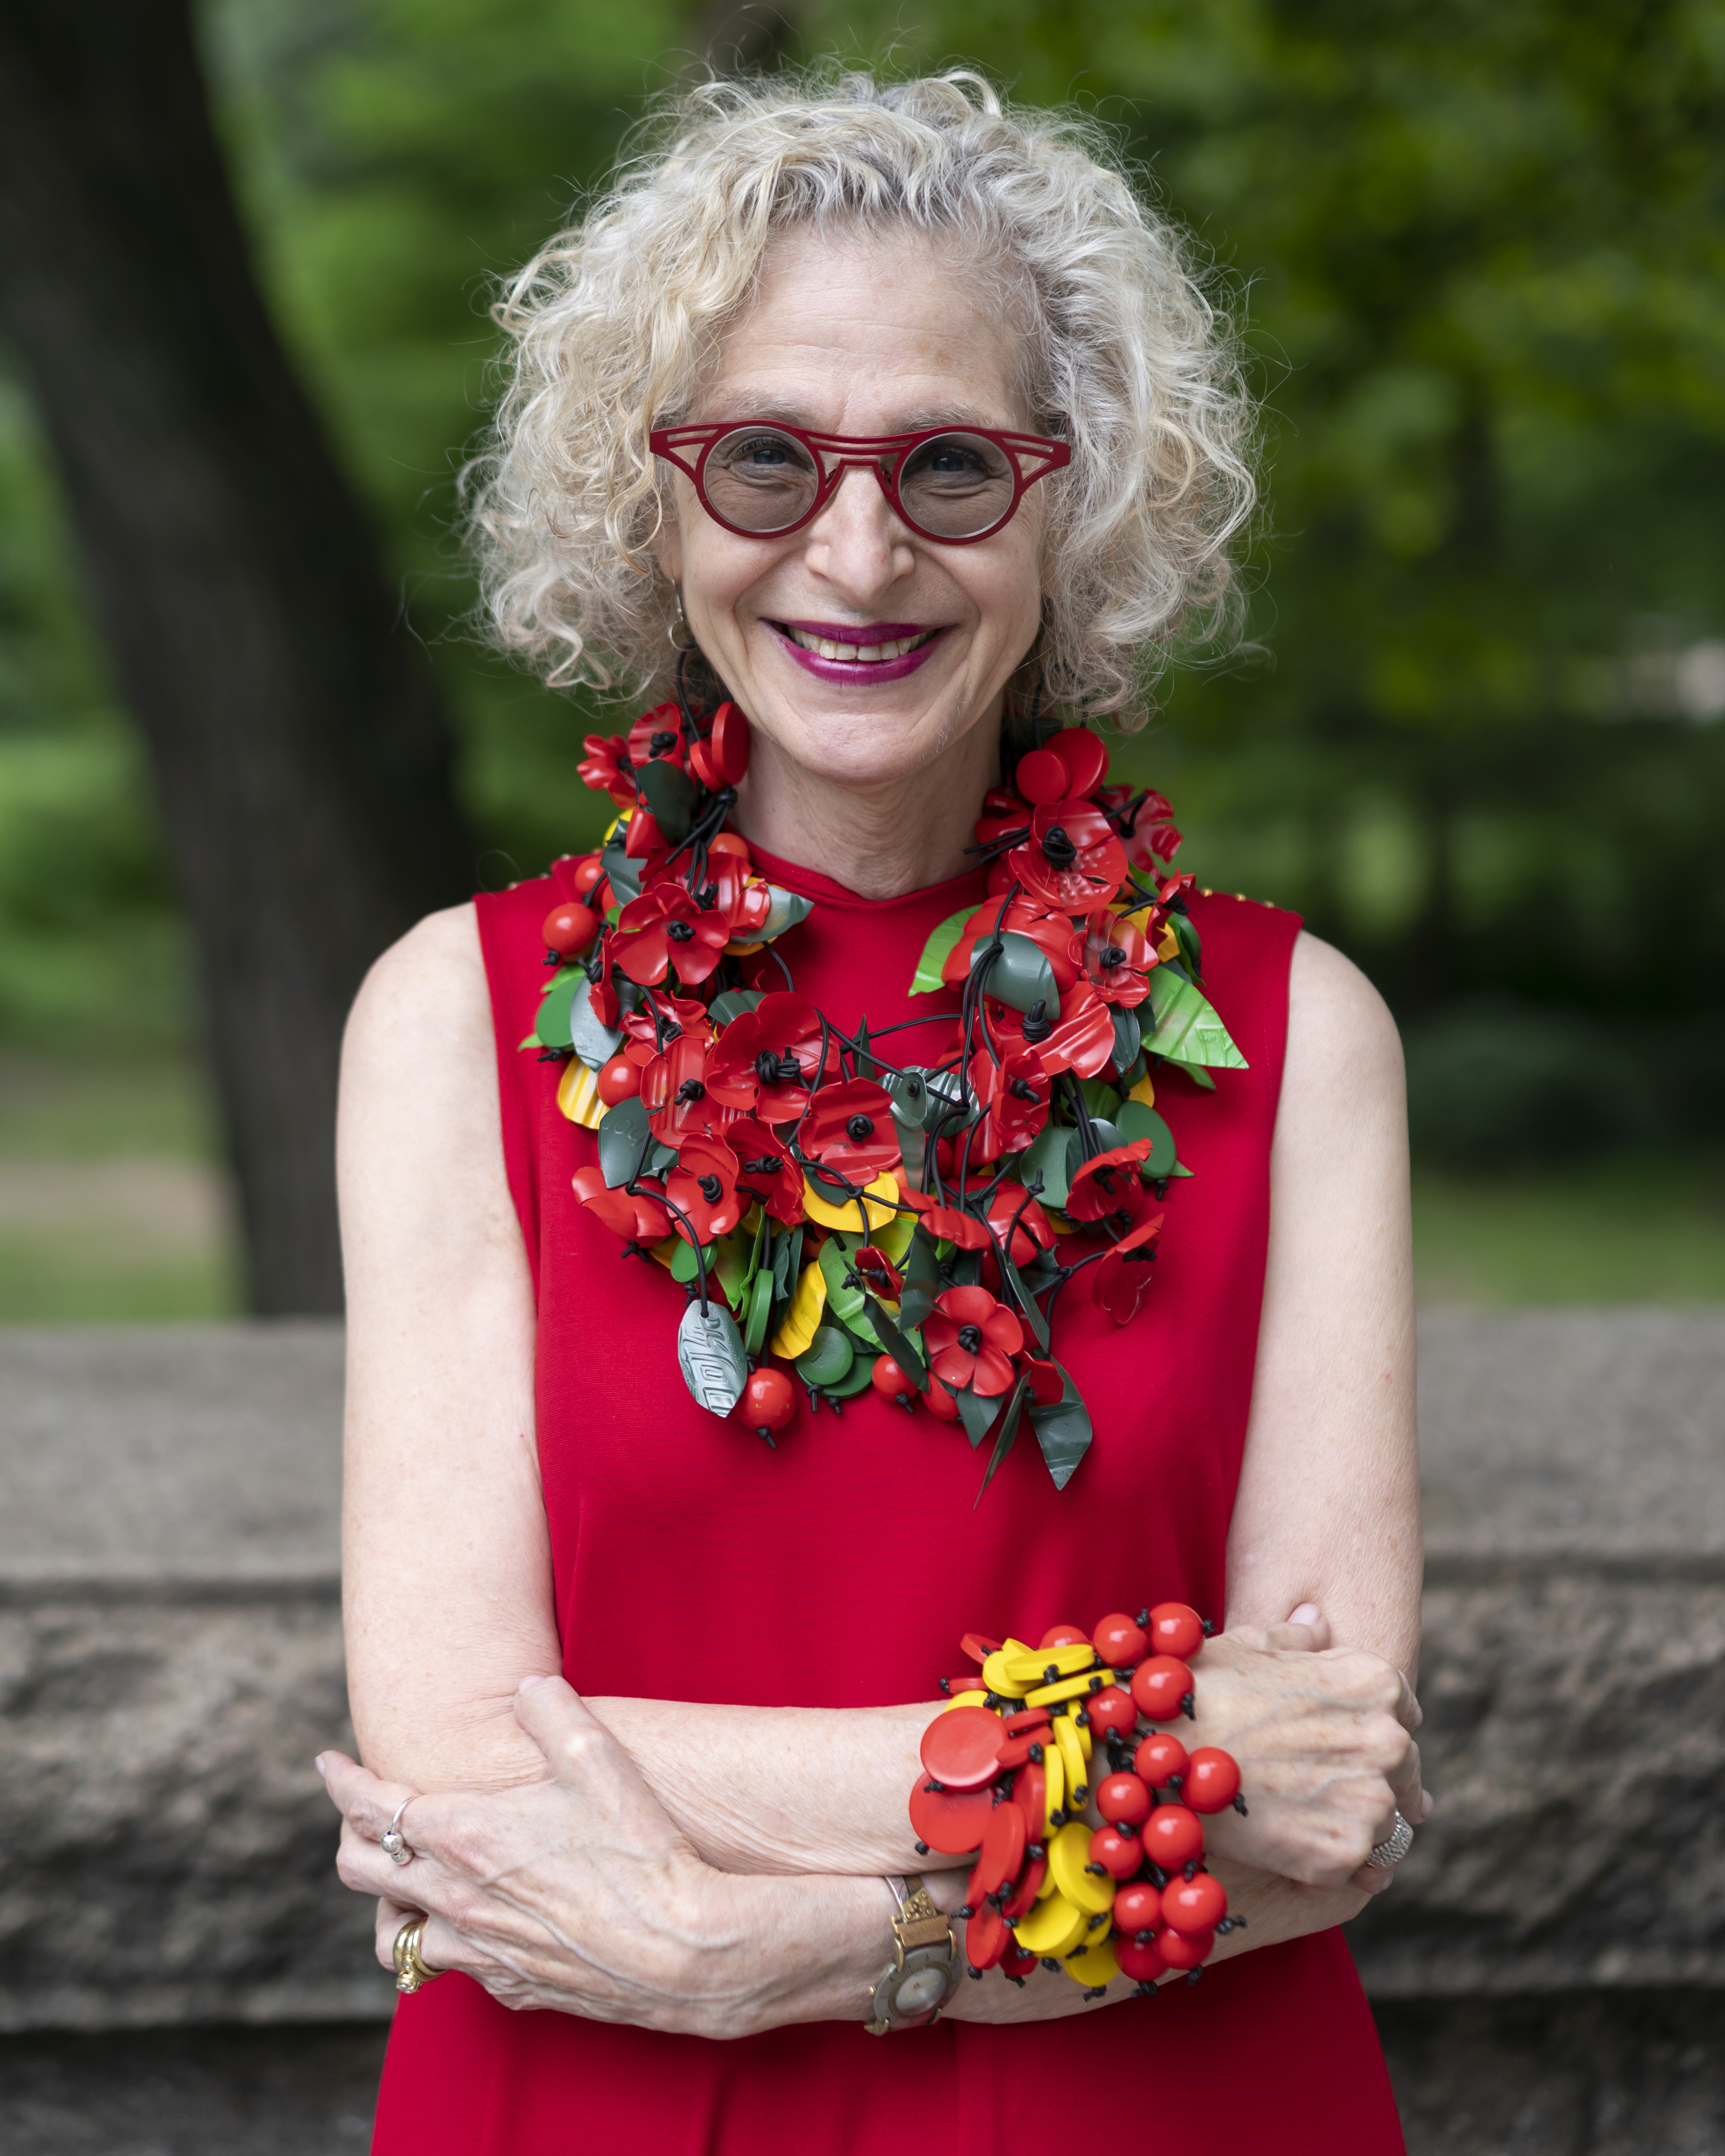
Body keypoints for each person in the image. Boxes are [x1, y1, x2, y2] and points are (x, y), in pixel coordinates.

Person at [319, 69, 1427, 2154]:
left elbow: (1325, 1805)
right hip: (590, 2106)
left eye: (946, 464)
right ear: (652, 499)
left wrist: (775, 1952)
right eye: (761, 460)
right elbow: (460, 1775)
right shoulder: (454, 1022)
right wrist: (1155, 1751)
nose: (856, 551)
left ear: (1066, 493)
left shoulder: (1302, 1040)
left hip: (1152, 2108)